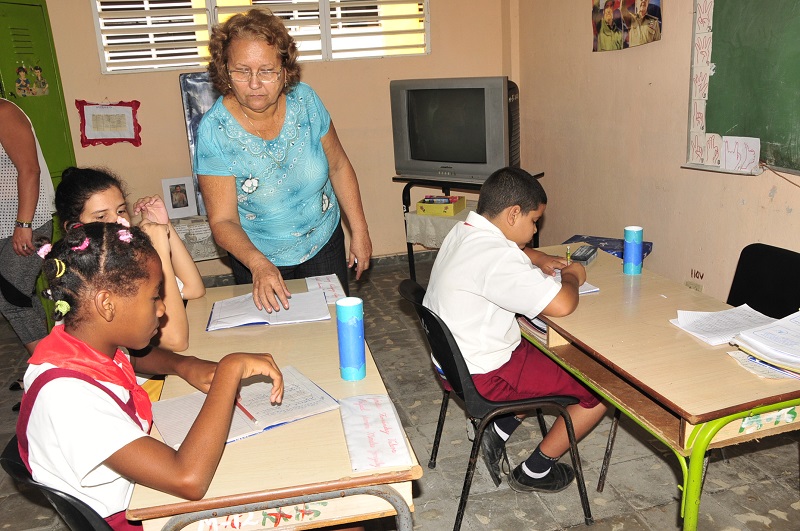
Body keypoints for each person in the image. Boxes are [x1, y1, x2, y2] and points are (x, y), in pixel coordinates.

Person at [17, 222, 284, 530]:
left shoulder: (76, 336)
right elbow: (188, 480)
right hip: (132, 517)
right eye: (154, 297)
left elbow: (130, 359)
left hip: (135, 492)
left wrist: (184, 365)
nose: (161, 310)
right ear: (107, 305)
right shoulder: (68, 397)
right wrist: (229, 369)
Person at [422, 167, 607, 493]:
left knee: (543, 349)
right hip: (484, 377)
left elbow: (510, 254)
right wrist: (573, 275)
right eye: (534, 221)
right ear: (513, 214)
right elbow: (563, 305)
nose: (535, 230)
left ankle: (499, 428)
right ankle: (535, 470)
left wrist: (538, 259)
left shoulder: (464, 230)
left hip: (452, 365)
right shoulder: (496, 259)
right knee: (603, 387)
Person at [195, 8, 372, 313]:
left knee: (330, 330)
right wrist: (257, 263)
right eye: (241, 70)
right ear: (224, 70)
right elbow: (222, 220)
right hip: (257, 254)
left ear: (285, 70)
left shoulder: (305, 102)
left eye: (267, 70)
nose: (254, 84)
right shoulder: (215, 132)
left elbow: (339, 166)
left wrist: (360, 230)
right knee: (275, 342)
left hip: (323, 241)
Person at [55, 167, 205, 352]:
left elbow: (193, 289)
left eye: (121, 210)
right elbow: (176, 340)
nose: (118, 221)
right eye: (101, 216)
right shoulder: (88, 276)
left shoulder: (125, 258)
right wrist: (160, 251)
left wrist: (163, 225)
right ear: (74, 229)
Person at [0, 98, 54, 356]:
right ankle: (45, 360)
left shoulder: (4, 112)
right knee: (25, 297)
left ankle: (51, 367)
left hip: (25, 222)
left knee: (12, 299)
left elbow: (29, 170)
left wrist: (24, 224)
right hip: (4, 224)